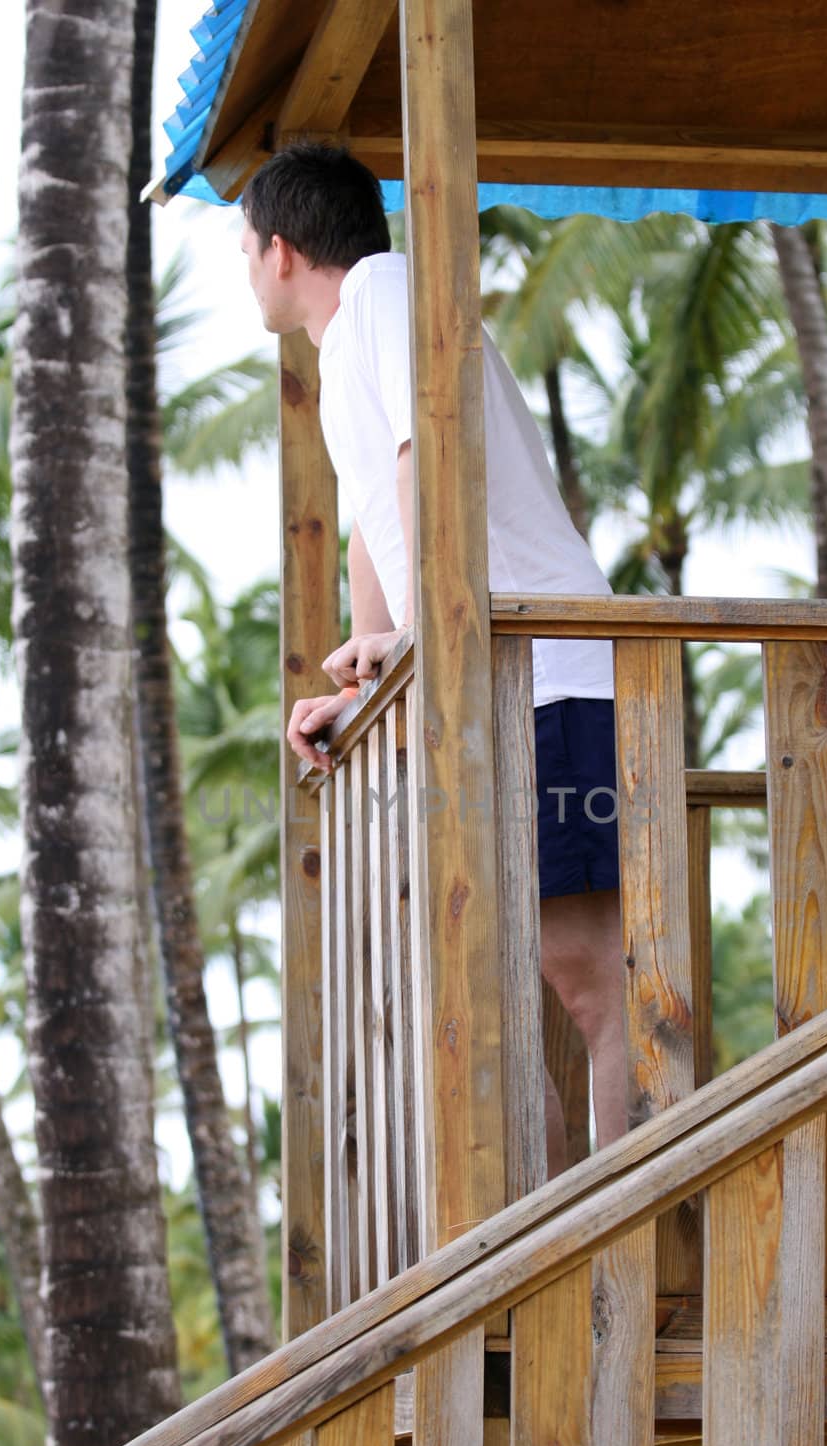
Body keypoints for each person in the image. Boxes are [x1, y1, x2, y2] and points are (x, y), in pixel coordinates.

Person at [240, 144, 626, 1168]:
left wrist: (414, 633)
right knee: (486, 989)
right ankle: (539, 1261)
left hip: (548, 673)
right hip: (478, 680)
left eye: (245, 249)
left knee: (586, 977)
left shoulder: (380, 286)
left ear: (280, 251)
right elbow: (377, 524)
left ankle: (627, 1253)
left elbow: (429, 452)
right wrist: (369, 680)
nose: (246, 269)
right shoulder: (340, 359)